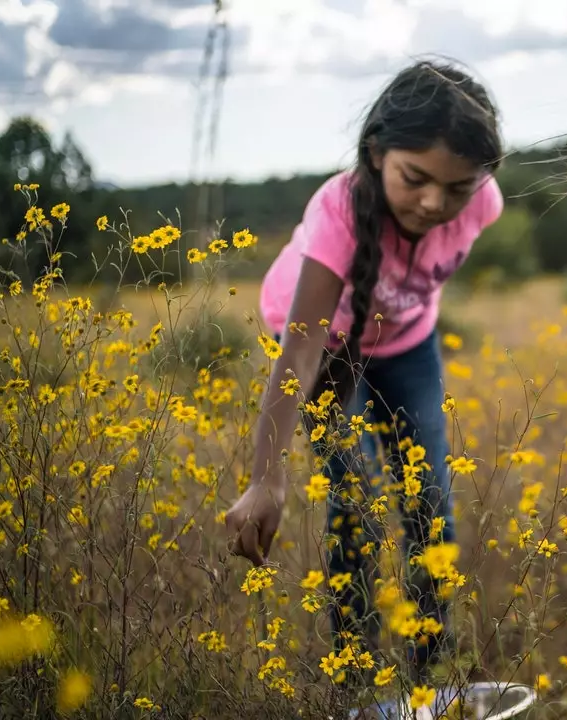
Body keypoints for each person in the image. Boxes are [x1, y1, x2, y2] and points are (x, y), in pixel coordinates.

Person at [224, 59, 505, 683]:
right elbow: (298, 353)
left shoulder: (483, 203)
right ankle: (355, 677)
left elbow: (418, 270)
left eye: (456, 188)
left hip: (408, 344)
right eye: (416, 178)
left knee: (431, 501)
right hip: (322, 349)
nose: (436, 202)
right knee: (352, 500)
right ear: (376, 153)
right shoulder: (340, 214)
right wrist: (265, 479)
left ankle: (430, 674)